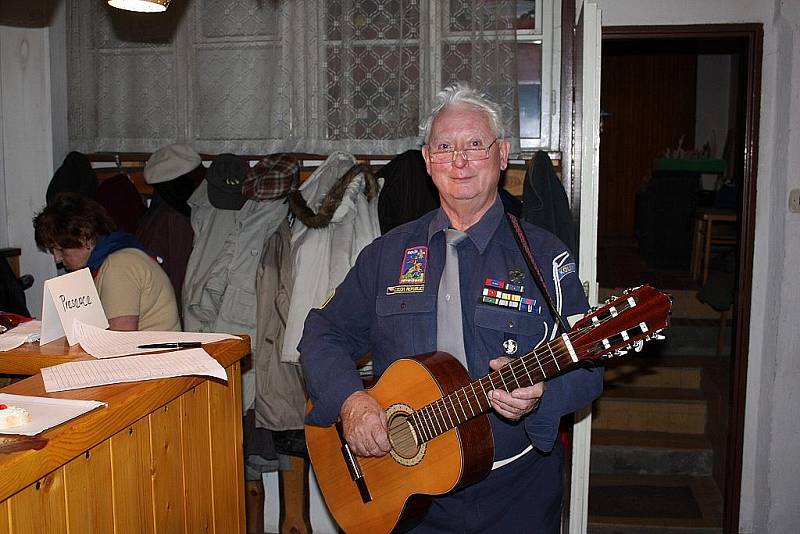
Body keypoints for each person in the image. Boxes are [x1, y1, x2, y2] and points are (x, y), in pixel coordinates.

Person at [299, 83, 603, 532]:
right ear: (427, 161)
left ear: (502, 156)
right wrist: (351, 401)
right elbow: (323, 332)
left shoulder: (545, 256)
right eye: (444, 147)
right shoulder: (386, 255)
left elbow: (589, 366)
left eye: (475, 145)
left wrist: (541, 397)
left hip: (514, 497)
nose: (459, 160)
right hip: (406, 497)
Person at [33, 193, 180, 332]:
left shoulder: (119, 266)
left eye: (61, 249)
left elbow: (119, 342)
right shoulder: (118, 256)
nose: (57, 259)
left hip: (151, 358)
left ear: (85, 237)